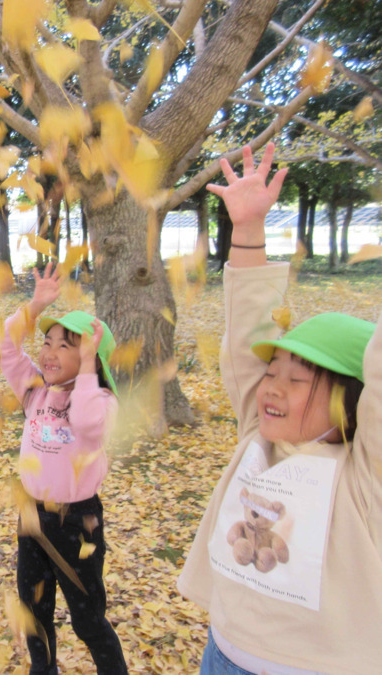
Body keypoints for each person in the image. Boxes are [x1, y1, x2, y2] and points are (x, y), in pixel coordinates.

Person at [178, 142, 382, 674]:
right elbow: (249, 330)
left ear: (351, 402)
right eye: (272, 372)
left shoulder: (365, 480)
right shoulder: (258, 436)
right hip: (223, 654)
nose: (271, 387)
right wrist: (246, 231)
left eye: (298, 380)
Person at [0, 262, 127, 675]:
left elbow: (87, 424)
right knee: (34, 610)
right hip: (32, 517)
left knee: (88, 619)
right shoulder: (37, 392)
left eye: (64, 346)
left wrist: (86, 370)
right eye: (46, 341)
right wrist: (32, 309)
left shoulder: (100, 402)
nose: (48, 353)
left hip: (77, 525)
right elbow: (5, 349)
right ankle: (42, 669)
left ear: (91, 359)